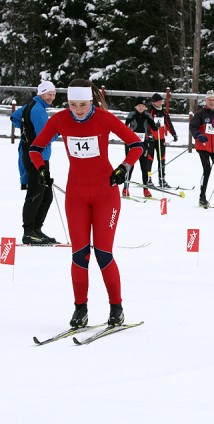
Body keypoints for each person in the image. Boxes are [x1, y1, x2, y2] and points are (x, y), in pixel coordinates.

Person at [28, 79, 144, 328]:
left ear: (91, 101)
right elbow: (35, 148)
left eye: (82, 104)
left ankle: (117, 308)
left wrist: (124, 168)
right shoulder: (59, 120)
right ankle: (80, 309)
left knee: (103, 253)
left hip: (106, 195)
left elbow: (136, 145)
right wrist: (41, 170)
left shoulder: (104, 118)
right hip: (76, 196)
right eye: (72, 105)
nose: (78, 110)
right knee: (79, 255)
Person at [11, 80, 58, 244]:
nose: (51, 97)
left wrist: (26, 130)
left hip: (33, 154)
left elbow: (14, 117)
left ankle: (36, 230)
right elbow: (46, 135)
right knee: (37, 194)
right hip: (37, 157)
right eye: (48, 94)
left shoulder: (31, 106)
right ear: (41, 94)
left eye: (53, 94)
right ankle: (29, 231)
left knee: (46, 195)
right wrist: (57, 132)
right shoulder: (38, 110)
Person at [123, 97, 159, 198]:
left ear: (145, 107)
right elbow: (124, 126)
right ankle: (126, 188)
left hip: (143, 144)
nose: (141, 107)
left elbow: (154, 127)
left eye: (143, 106)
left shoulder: (147, 115)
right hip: (132, 144)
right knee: (130, 166)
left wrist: (157, 125)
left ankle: (145, 189)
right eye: (139, 106)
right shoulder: (132, 114)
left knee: (144, 166)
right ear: (136, 106)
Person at [190, 90, 214, 208]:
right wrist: (198, 135)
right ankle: (202, 197)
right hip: (203, 146)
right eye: (210, 100)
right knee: (207, 169)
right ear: (205, 101)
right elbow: (193, 127)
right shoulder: (200, 114)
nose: (212, 102)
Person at [147, 92, 178, 188]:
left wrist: (174, 134)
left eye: (161, 101)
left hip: (161, 139)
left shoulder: (164, 112)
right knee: (149, 159)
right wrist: (149, 134)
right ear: (154, 102)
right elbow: (146, 124)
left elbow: (168, 124)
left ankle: (162, 179)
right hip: (151, 139)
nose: (161, 103)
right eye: (159, 101)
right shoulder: (150, 112)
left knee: (162, 159)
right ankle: (148, 178)